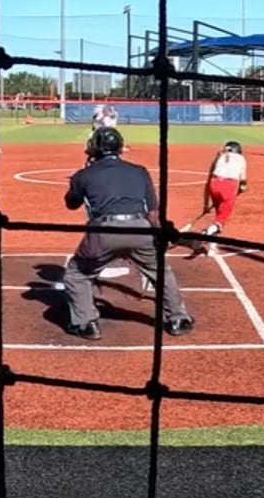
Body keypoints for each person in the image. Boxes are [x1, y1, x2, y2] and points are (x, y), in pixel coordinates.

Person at [58, 126, 192, 340]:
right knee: (160, 271)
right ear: (120, 147)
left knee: (77, 274)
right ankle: (178, 318)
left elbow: (71, 203)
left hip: (103, 232)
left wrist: (79, 180)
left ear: (95, 148)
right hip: (140, 228)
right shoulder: (140, 171)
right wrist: (160, 235)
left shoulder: (84, 175)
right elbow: (153, 213)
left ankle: (86, 324)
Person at [181, 140, 248, 257]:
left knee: (218, 217)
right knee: (221, 219)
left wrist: (206, 205)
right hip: (229, 186)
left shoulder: (219, 156)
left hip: (214, 184)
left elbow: (208, 181)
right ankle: (205, 234)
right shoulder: (241, 159)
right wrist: (242, 188)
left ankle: (212, 247)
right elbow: (243, 182)